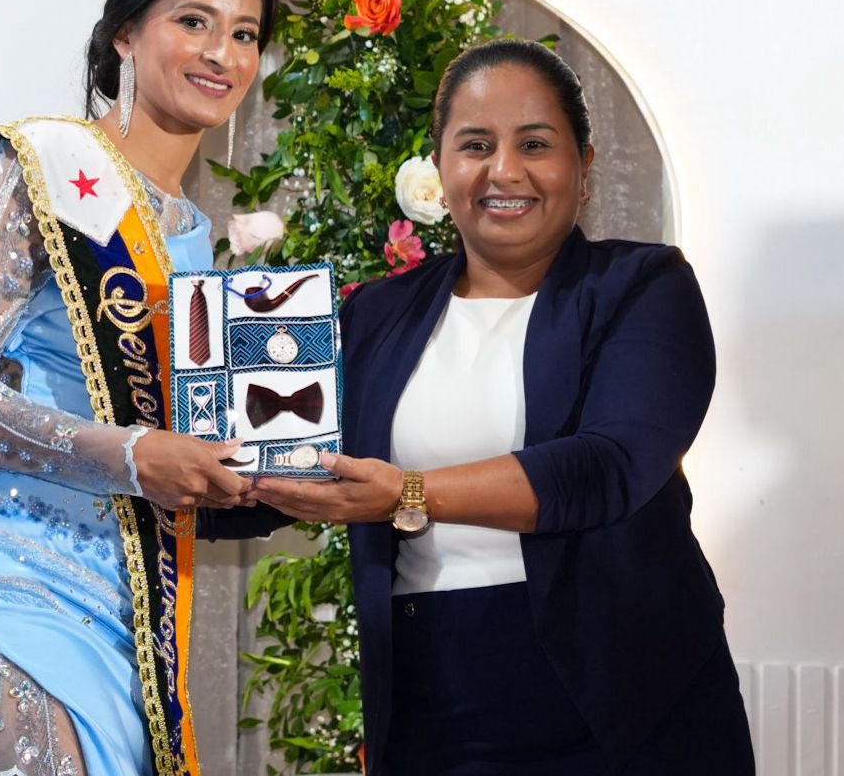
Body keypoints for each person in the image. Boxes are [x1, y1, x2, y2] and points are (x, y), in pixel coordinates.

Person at [243, 39, 755, 775]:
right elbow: (286, 458)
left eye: (535, 144)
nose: (504, 171)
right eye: (476, 145)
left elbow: (607, 467)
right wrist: (165, 449)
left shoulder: (642, 285)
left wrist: (408, 492)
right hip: (431, 704)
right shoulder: (377, 312)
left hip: (626, 704)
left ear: (583, 166)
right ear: (440, 165)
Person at [0, 0, 278, 776]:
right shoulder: (38, 165)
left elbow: (168, 453)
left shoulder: (190, 235)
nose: (221, 52)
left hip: (123, 618)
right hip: (0, 584)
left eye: (244, 34)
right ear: (124, 33)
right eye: (194, 21)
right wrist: (129, 454)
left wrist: (266, 476)